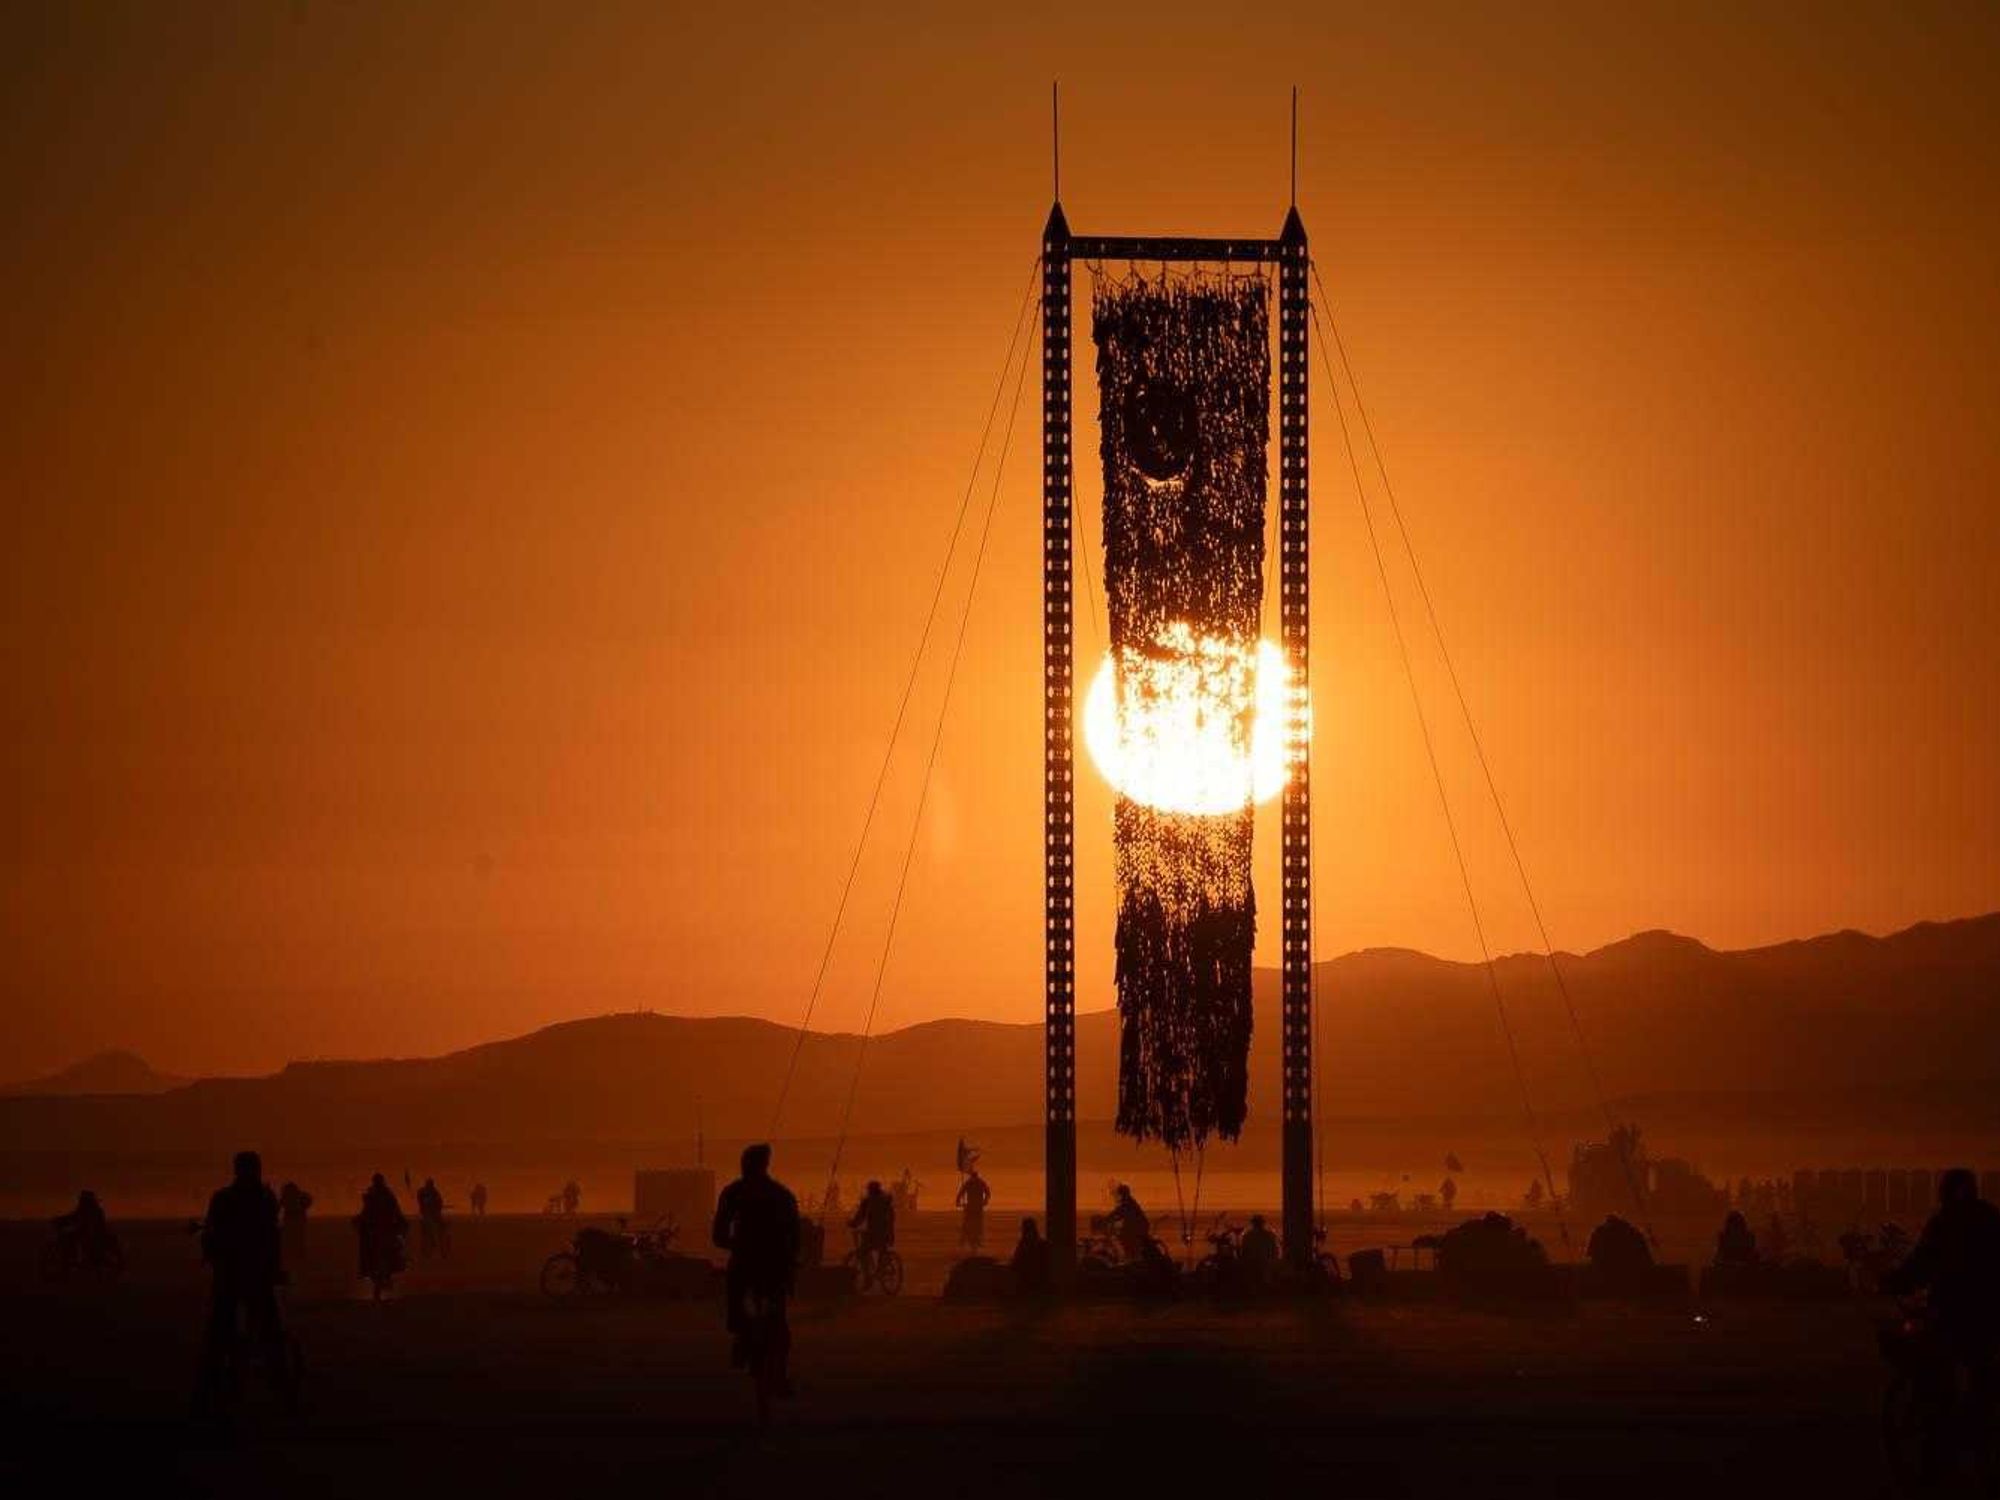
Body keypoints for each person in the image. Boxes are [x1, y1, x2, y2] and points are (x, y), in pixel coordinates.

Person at [1882, 1169, 2000, 1481]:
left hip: (1953, 1314)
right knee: (1982, 1376)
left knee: (1935, 1381)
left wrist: (1894, 1281)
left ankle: (1939, 1458)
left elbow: (1921, 1264)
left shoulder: (1944, 1223)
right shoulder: (1990, 1218)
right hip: (1988, 1315)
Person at [197, 1151, 293, 1409]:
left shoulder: (231, 1198)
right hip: (246, 1269)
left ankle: (219, 1376)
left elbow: (213, 1233)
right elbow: (271, 1237)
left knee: (235, 1322)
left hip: (240, 1269)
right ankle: (274, 1376)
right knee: (253, 1323)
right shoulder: (260, 1198)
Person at [711, 1144, 801, 1383]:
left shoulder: (733, 1193)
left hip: (745, 1263)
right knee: (779, 1322)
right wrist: (790, 1264)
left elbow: (718, 1235)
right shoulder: (782, 1194)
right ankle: (780, 1376)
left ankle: (741, 1337)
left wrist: (736, 1244)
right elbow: (795, 1237)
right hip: (774, 1265)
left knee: (739, 1309)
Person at [355, 1172, 408, 1293]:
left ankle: (384, 1279)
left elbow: (395, 1211)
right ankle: (380, 1280)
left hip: (383, 1231)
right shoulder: (377, 1195)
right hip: (376, 1232)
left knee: (389, 1254)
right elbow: (367, 1212)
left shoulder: (383, 1196)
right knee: (374, 1256)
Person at [52, 1189, 116, 1271]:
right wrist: (59, 1221)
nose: (82, 1202)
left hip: (93, 1236)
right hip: (86, 1234)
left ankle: (74, 1262)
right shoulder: (84, 1210)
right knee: (69, 1238)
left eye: (84, 1200)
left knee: (74, 1240)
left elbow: (92, 1225)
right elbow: (72, 1217)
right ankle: (70, 1261)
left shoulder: (95, 1211)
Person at [850, 1179, 896, 1280]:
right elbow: (891, 1218)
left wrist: (852, 1223)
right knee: (875, 1250)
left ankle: (868, 1275)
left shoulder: (869, 1201)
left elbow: (860, 1217)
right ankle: (876, 1271)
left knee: (863, 1252)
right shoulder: (885, 1201)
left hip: (876, 1233)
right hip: (883, 1233)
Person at [1587, 1214, 1654, 1278]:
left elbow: (1590, 1253)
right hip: (1630, 1275)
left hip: (1605, 1273)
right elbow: (1646, 1259)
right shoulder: (1632, 1233)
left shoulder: (1599, 1233)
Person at [1103, 1183, 1152, 1263]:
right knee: (1123, 1235)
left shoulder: (1127, 1204)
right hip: (1137, 1228)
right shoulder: (1129, 1202)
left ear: (1122, 1195)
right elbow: (1118, 1214)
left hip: (1137, 1230)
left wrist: (1106, 1220)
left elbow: (1117, 1213)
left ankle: (1128, 1260)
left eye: (1118, 1194)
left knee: (1124, 1239)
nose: (1117, 1196)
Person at [1011, 1217, 1052, 1296]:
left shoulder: (1024, 1245)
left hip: (1028, 1282)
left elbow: (1016, 1263)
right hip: (1040, 1282)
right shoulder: (1042, 1244)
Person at [955, 1167, 992, 1253]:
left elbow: (961, 1193)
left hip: (972, 1206)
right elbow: (988, 1193)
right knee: (976, 1223)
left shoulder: (969, 1182)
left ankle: (964, 1240)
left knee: (967, 1223)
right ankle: (975, 1240)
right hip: (977, 1206)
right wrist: (985, 1201)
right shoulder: (980, 1182)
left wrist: (958, 1202)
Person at [1239, 1213, 1280, 1290]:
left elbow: (1244, 1252)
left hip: (1259, 1263)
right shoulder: (1269, 1235)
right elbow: (1275, 1250)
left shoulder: (1248, 1236)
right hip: (1262, 1263)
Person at [278, 1181, 313, 1268]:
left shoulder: (295, 1197)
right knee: (296, 1238)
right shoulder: (296, 1197)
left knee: (296, 1238)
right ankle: (296, 1255)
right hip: (293, 1219)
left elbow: (280, 1205)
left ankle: (297, 1255)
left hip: (294, 1219)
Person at [416, 1177, 448, 1258]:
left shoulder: (433, 1192)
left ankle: (437, 1247)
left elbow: (439, 1203)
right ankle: (428, 1248)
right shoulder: (426, 1192)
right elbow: (422, 1202)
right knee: (427, 1232)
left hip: (431, 1214)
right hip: (428, 1214)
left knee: (436, 1230)